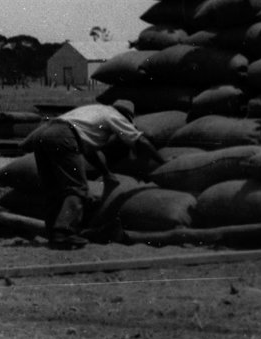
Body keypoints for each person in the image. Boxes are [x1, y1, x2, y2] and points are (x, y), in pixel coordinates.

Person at [24, 99, 160, 248]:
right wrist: (162, 162)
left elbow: (89, 151)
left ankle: (53, 234)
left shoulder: (94, 111)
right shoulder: (115, 116)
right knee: (77, 188)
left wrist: (106, 173)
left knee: (54, 189)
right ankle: (64, 233)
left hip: (42, 133)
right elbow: (139, 140)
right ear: (127, 117)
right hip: (63, 136)